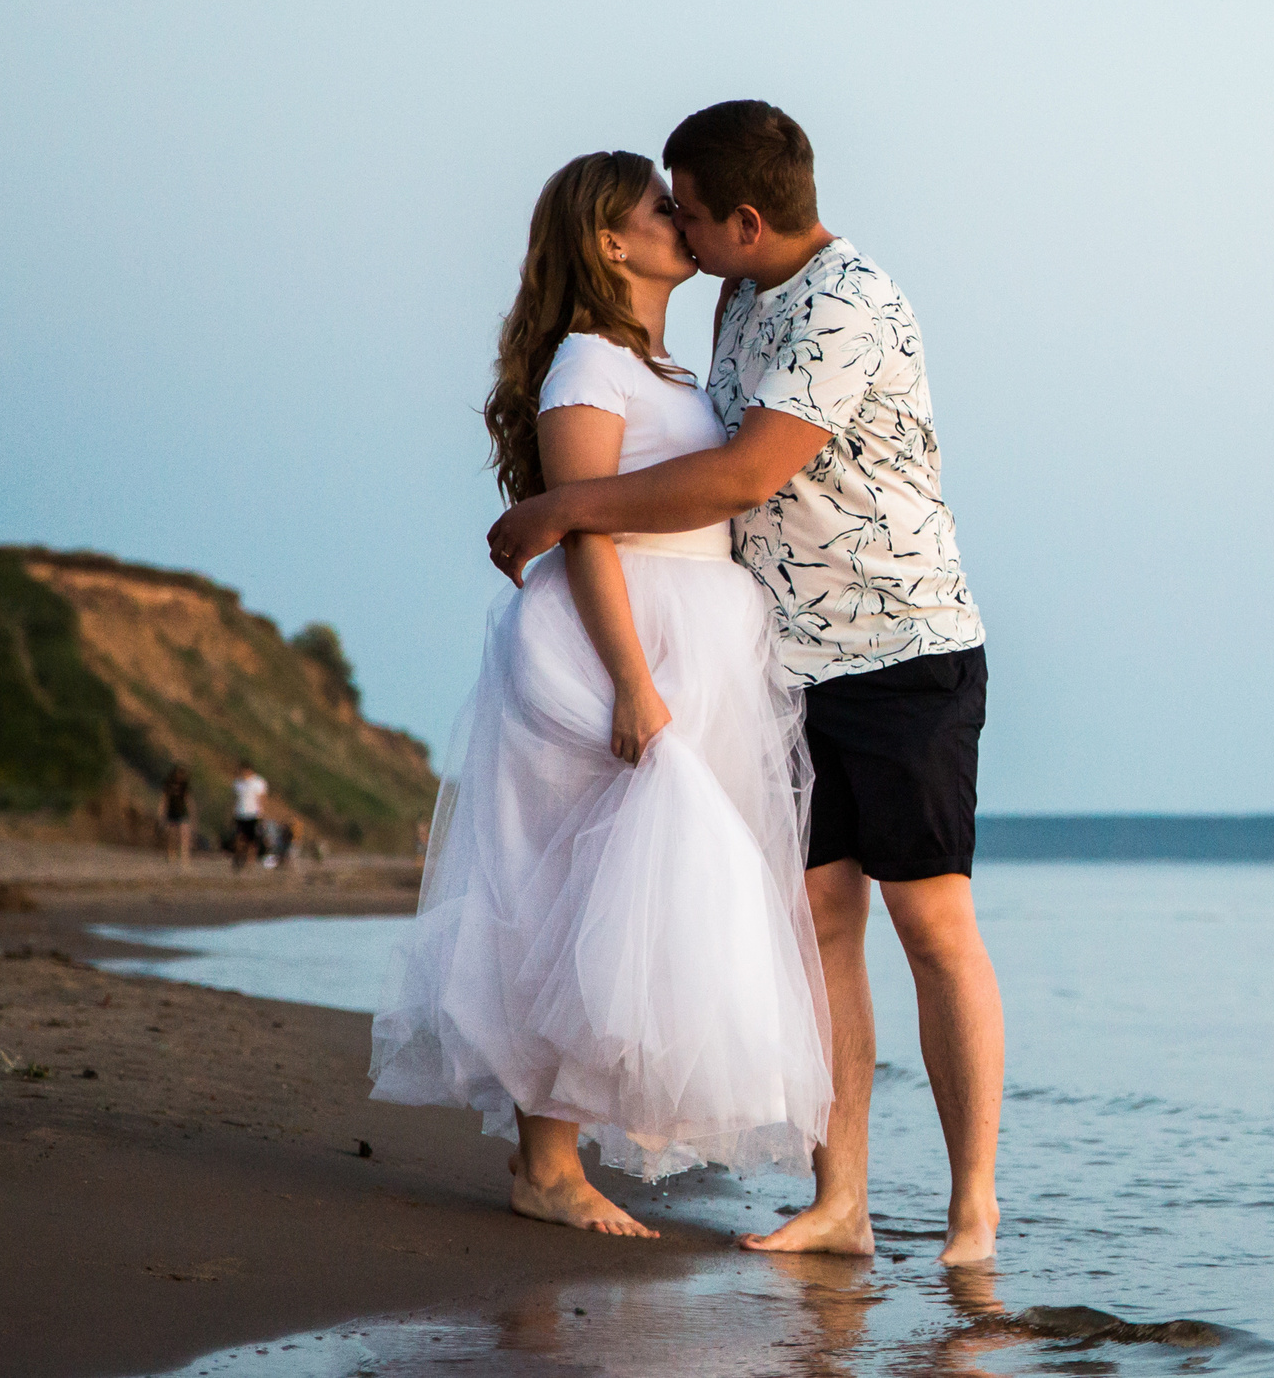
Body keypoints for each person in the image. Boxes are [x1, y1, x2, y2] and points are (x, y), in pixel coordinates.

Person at [486, 101, 1002, 1266]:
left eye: (691, 210)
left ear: (746, 219)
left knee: (931, 922)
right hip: (787, 666)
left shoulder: (846, 304)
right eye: (662, 208)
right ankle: (844, 1200)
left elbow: (745, 470)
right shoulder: (735, 300)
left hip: (899, 653)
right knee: (820, 921)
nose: (681, 226)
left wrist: (562, 507)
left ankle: (972, 1214)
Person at [370, 150, 832, 1240]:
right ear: (609, 243)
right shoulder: (586, 360)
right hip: (610, 639)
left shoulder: (669, 370)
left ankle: (566, 1152)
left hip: (694, 632)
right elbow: (584, 526)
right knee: (557, 890)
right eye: (658, 212)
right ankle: (546, 1166)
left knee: (630, 893)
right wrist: (631, 679)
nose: (683, 223)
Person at [230, 763, 268, 871]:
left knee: (252, 840)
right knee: (239, 837)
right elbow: (234, 799)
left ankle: (249, 862)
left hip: (253, 814)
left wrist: (262, 813)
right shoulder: (237, 783)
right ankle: (238, 857)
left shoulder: (258, 782)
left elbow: (262, 798)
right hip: (240, 814)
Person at [159, 765, 193, 866]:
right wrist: (161, 813)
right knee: (172, 835)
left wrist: (191, 813)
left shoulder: (184, 785)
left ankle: (184, 857)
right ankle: (171, 854)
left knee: (184, 835)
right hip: (171, 812)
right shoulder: (168, 785)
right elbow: (164, 800)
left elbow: (188, 800)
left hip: (182, 813)